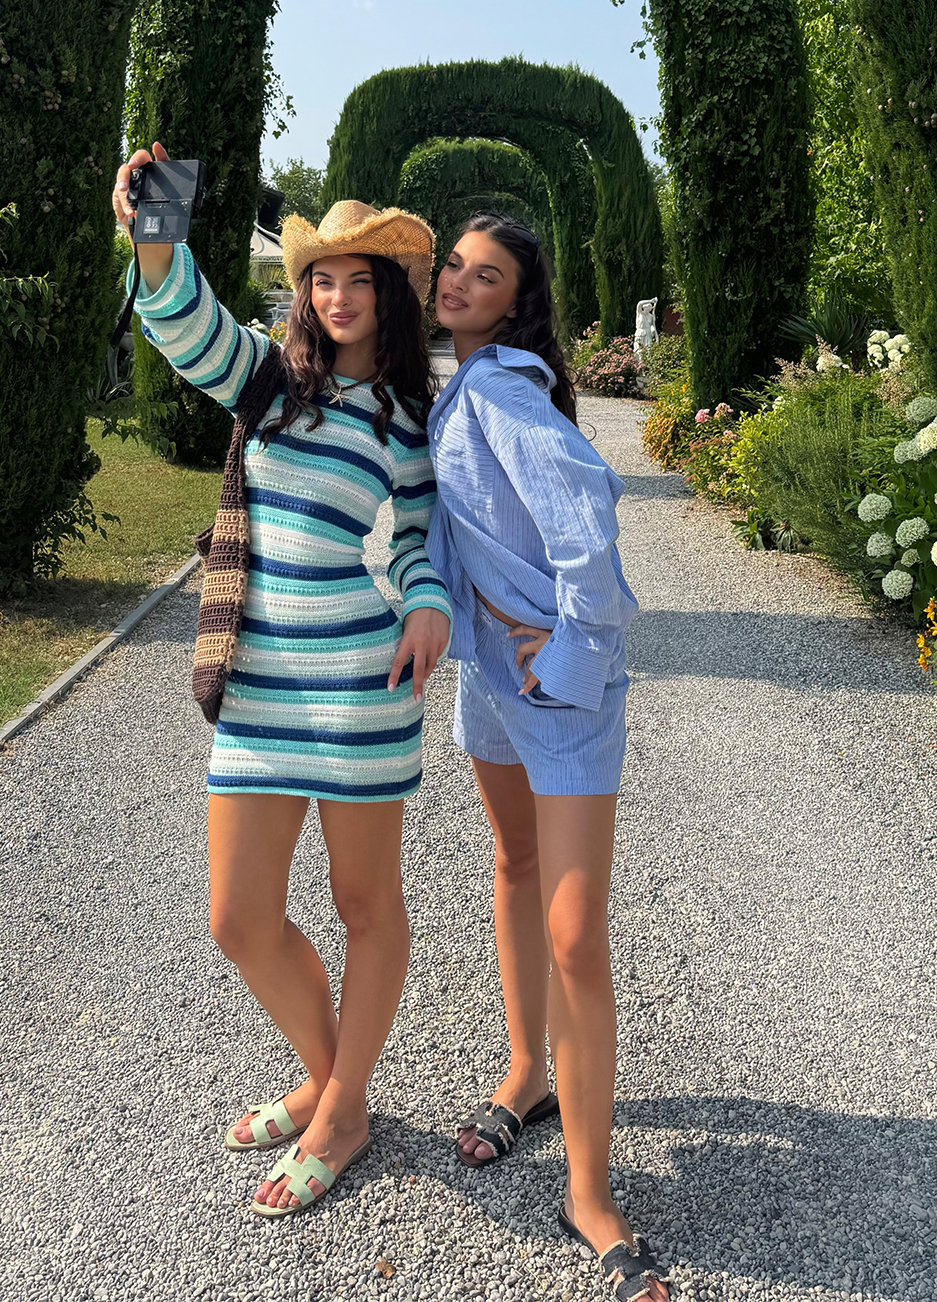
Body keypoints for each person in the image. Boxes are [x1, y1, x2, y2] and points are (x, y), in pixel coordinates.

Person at [112, 146, 451, 1219]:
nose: (337, 296)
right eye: (322, 279)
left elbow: (418, 538)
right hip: (260, 686)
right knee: (238, 917)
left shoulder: (407, 416)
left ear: (388, 294)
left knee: (366, 906)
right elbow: (182, 321)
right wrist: (153, 227)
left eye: (358, 279)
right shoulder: (268, 380)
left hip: (361, 685)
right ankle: (332, 1078)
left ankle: (340, 1109)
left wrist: (428, 603)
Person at [426, 213, 669, 1302]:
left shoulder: (505, 392)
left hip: (560, 691)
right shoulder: (455, 386)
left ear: (516, 301)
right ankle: (528, 1071)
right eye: (453, 266)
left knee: (575, 933)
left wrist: (566, 655)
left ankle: (590, 1195)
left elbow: (589, 530)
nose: (458, 283)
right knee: (513, 864)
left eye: (486, 276)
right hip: (491, 673)